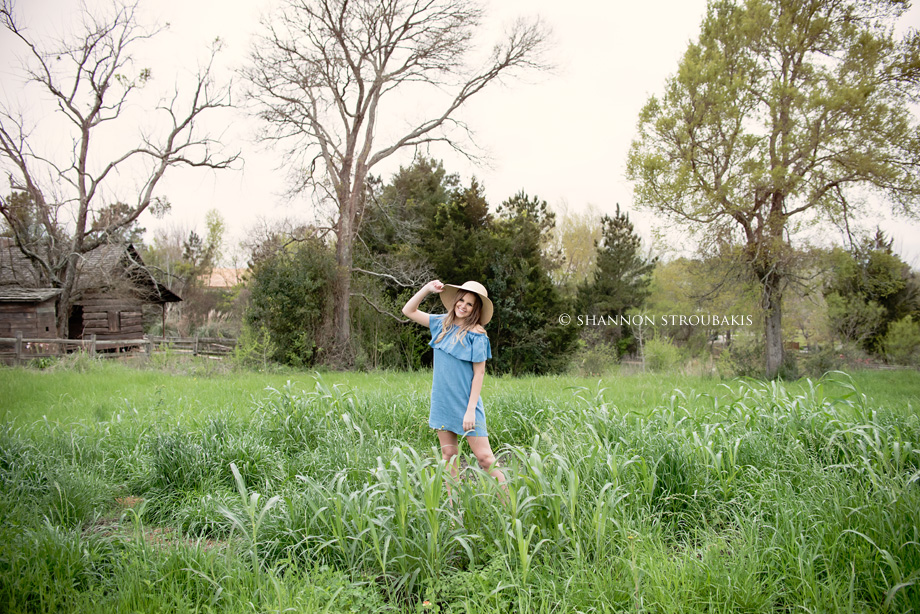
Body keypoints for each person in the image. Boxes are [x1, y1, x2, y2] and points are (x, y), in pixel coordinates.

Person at [402, 280, 506, 488]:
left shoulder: (477, 335)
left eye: (470, 304)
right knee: (449, 456)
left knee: (485, 458)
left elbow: (479, 374)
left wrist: (470, 411)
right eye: (462, 300)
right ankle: (454, 516)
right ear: (455, 300)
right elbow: (408, 310)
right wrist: (427, 289)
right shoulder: (441, 323)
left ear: (475, 309)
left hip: (467, 404)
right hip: (442, 402)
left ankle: (510, 511)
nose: (463, 306)